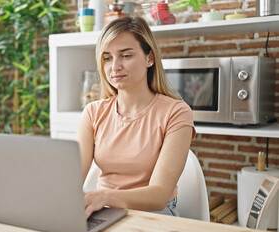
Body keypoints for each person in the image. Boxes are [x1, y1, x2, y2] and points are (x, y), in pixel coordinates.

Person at [77, 16, 196, 219]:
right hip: (103, 213)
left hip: (155, 214)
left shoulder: (176, 112)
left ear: (149, 58)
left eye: (125, 56)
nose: (114, 67)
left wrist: (104, 197)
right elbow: (72, 177)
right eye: (107, 58)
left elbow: (159, 195)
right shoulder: (93, 112)